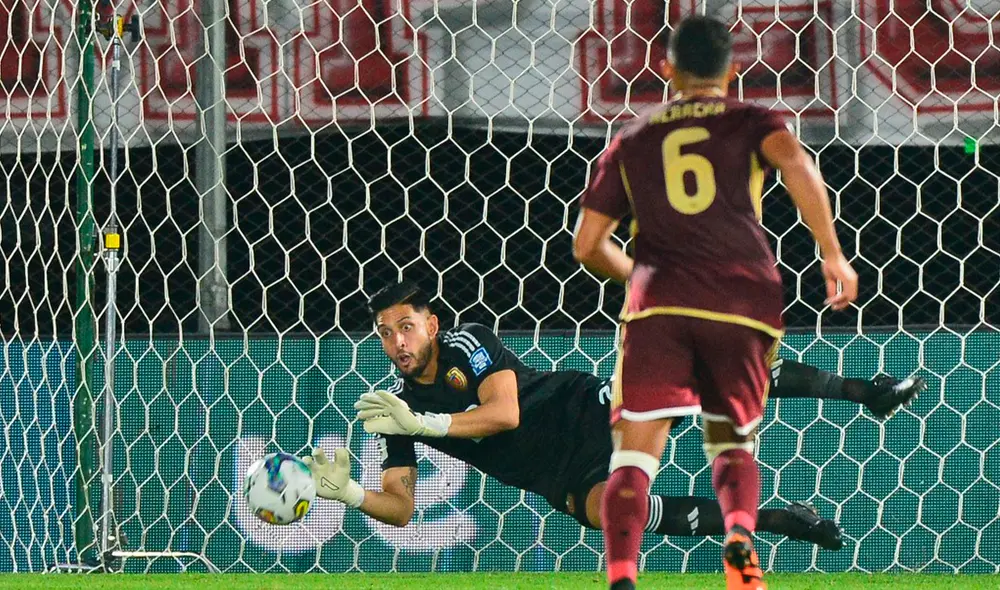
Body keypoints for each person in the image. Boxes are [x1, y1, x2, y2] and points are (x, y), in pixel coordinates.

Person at [302, 283, 921, 555]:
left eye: (405, 327)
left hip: (583, 412)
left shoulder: (468, 342)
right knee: (615, 513)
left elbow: (505, 413)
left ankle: (865, 392)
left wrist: (425, 427)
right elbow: (402, 507)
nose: (397, 343)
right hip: (552, 473)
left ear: (431, 324)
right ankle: (784, 519)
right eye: (385, 334)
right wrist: (351, 493)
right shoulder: (392, 411)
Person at [571, 16, 860, 590]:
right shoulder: (753, 119)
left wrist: (643, 276)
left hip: (660, 307)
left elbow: (586, 246)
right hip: (741, 298)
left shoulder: (631, 138)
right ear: (731, 70)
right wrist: (831, 254)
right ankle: (740, 545)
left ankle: (622, 577)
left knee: (632, 456)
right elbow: (799, 163)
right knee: (732, 440)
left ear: (667, 69)